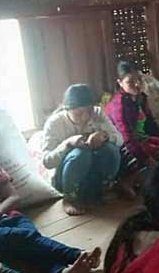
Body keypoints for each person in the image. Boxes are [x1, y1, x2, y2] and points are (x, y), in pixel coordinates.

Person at [0, 131, 101, 273]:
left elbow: (14, 197)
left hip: (11, 216)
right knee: (21, 239)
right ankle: (77, 255)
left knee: (27, 243)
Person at [42, 84, 124, 216]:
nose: (85, 117)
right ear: (67, 109)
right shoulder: (55, 123)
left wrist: (104, 135)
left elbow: (120, 139)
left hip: (91, 174)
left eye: (89, 111)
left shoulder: (97, 113)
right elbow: (47, 162)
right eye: (79, 113)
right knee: (81, 154)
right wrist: (68, 144)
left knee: (111, 149)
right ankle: (69, 198)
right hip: (65, 177)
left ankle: (103, 188)